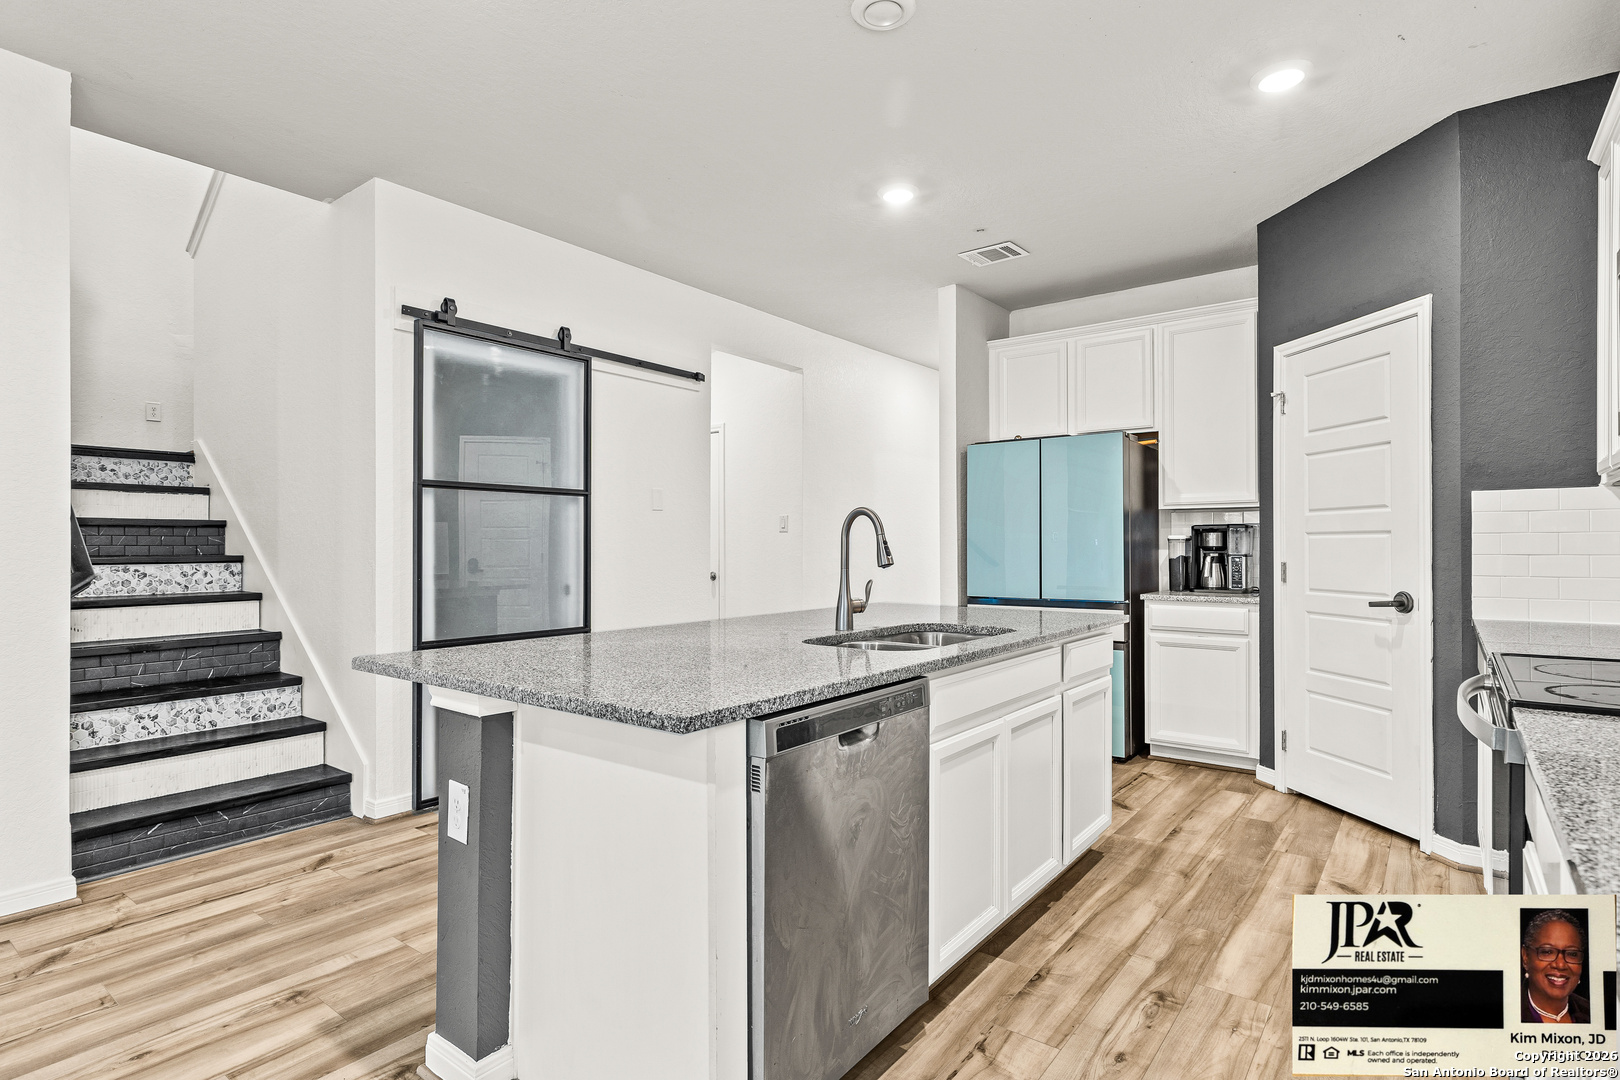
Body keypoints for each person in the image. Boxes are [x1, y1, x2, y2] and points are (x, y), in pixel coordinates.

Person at [1521, 909, 1590, 1024]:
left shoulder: (1594, 1015)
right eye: (1547, 952)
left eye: (1572, 954)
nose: (1560, 964)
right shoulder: (1504, 1013)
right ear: (1526, 957)